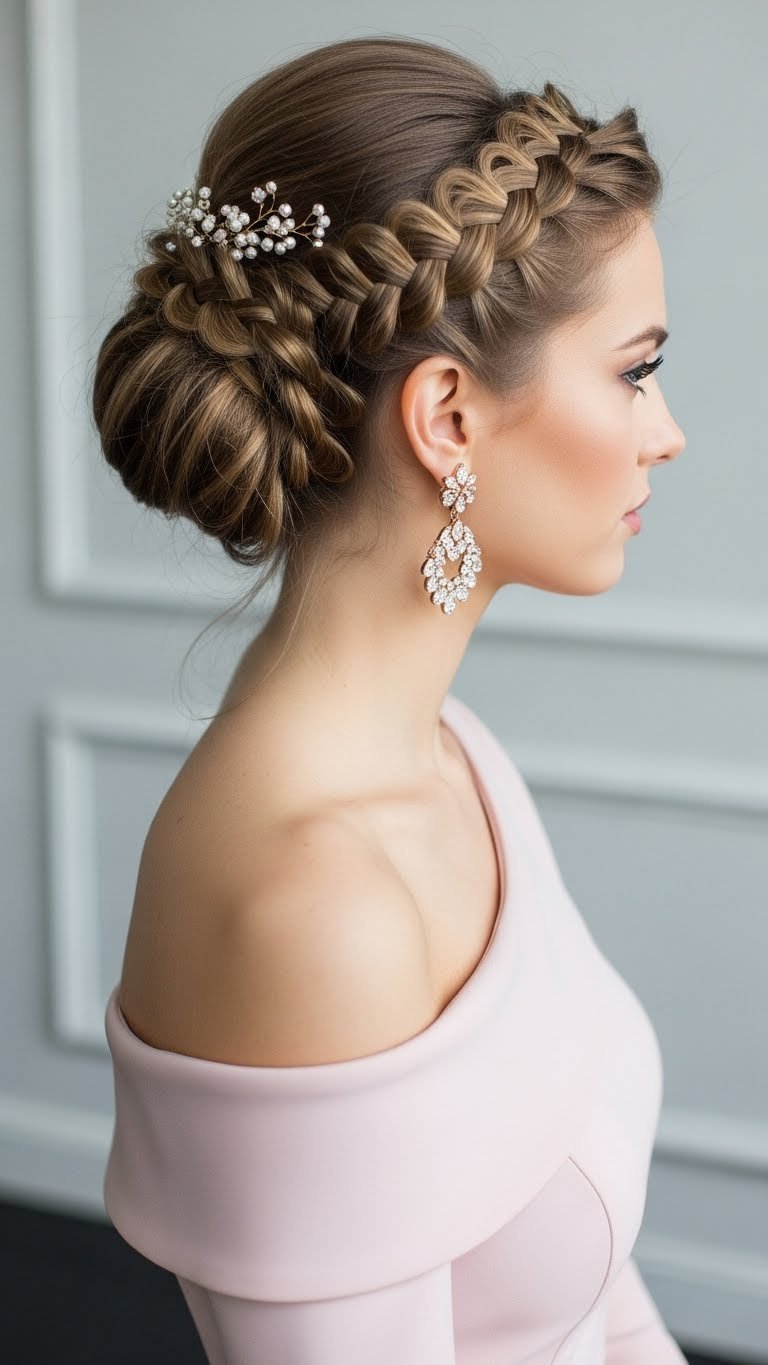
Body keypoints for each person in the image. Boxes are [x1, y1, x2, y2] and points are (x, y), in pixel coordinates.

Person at [93, 34, 688, 1364]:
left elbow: (599, 1294)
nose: (666, 431)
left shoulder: (455, 757)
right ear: (448, 417)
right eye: (635, 369)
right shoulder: (311, 908)